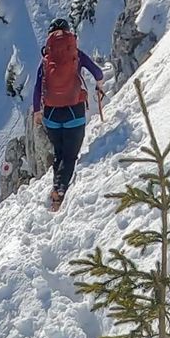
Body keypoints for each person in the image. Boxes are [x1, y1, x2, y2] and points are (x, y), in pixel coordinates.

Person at [30, 17, 105, 211]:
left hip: (51, 115)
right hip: (74, 112)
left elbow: (38, 87)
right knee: (70, 155)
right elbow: (97, 72)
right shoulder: (76, 54)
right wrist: (99, 83)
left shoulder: (46, 59)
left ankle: (57, 187)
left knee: (59, 153)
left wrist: (37, 112)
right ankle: (60, 190)